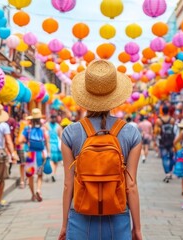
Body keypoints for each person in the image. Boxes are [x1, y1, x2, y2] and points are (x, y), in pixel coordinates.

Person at [59, 60, 142, 240]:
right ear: (115, 97)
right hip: (117, 216)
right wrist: (137, 228)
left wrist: (65, 224)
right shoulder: (131, 133)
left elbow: (68, 185)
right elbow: (131, 186)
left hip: (80, 215)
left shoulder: (70, 133)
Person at [23, 108, 51, 202]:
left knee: (30, 175)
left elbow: (21, 140)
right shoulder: (44, 129)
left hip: (31, 154)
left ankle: (32, 194)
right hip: (41, 153)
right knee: (39, 174)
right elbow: (47, 142)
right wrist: (48, 153)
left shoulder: (28, 129)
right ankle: (38, 190)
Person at [155, 105, 176, 183]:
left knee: (164, 157)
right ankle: (170, 172)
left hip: (163, 141)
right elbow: (175, 130)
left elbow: (156, 132)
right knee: (171, 156)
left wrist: (155, 141)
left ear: (162, 111)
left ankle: (167, 173)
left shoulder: (158, 120)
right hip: (171, 140)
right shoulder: (172, 120)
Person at [47, 114, 63, 182]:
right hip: (56, 146)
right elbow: (61, 137)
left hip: (49, 145)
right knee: (55, 162)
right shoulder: (58, 126)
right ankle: (53, 173)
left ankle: (52, 172)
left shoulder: (46, 125)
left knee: (51, 160)